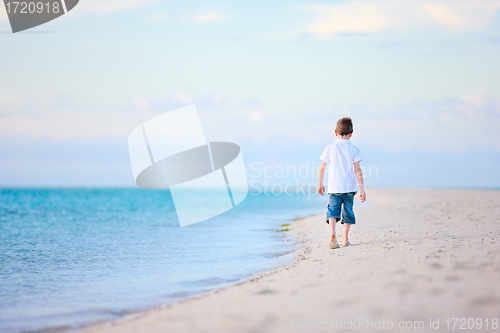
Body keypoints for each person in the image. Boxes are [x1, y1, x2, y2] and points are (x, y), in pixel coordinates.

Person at [318, 117, 366, 249]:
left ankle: (332, 233)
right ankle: (345, 239)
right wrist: (362, 188)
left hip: (334, 187)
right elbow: (357, 169)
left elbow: (322, 167)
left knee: (333, 210)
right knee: (348, 211)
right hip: (349, 187)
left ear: (335, 133)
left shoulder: (330, 148)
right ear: (351, 133)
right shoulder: (354, 149)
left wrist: (320, 183)